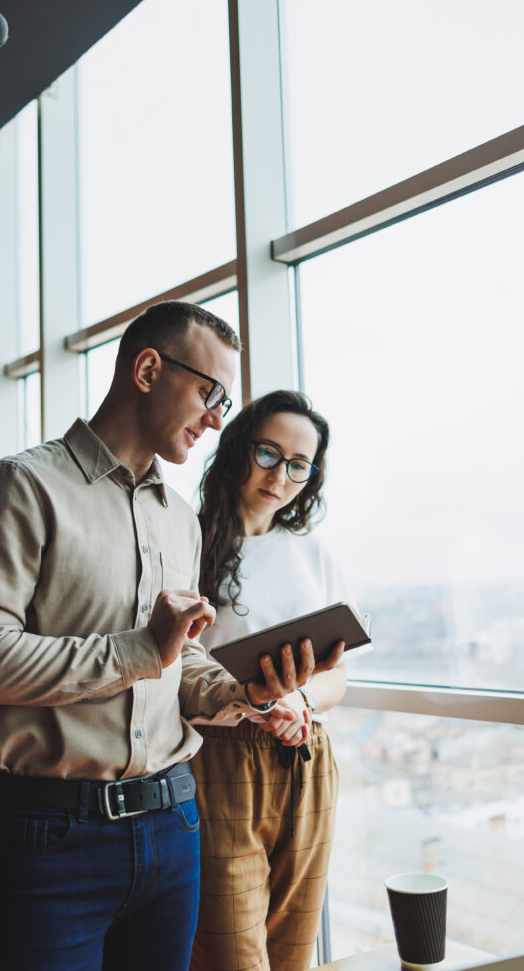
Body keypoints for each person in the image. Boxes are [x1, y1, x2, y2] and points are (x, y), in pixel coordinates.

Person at [0, 303, 313, 971]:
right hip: (48, 838)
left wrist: (243, 690)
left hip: (174, 823)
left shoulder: (181, 520)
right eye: (210, 393)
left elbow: (180, 658)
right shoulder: (21, 487)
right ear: (146, 369)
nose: (217, 418)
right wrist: (140, 649)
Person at [189, 389, 351, 971]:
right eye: (268, 454)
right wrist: (260, 706)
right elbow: (172, 669)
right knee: (233, 956)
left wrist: (300, 700)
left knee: (292, 953)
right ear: (239, 449)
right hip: (221, 757)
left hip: (309, 755)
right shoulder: (187, 541)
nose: (281, 475)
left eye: (299, 465)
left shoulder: (312, 553)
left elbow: (338, 677)